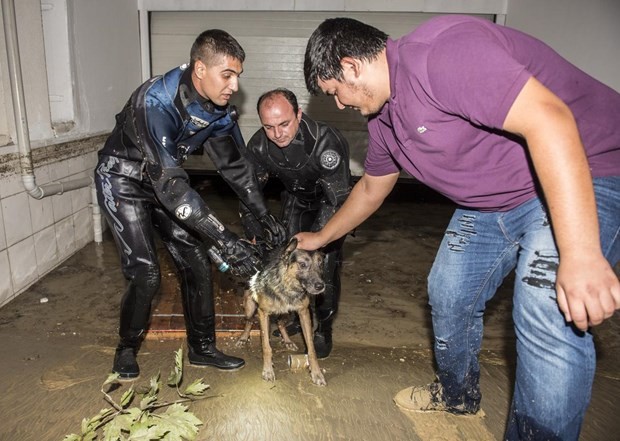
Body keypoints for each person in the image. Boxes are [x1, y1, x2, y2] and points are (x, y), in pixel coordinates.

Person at [298, 16, 620, 440]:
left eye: (333, 92)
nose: (338, 105)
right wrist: (320, 237)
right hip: (492, 205)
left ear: (351, 66)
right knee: (449, 291)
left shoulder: (442, 54)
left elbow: (551, 120)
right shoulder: (384, 121)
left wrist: (580, 254)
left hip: (584, 171)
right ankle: (457, 395)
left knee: (546, 306)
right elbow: (372, 190)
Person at [94, 29, 286, 379]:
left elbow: (236, 167)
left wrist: (262, 212)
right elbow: (170, 186)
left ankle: (202, 348)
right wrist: (225, 240)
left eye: (237, 76)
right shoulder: (155, 102)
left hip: (163, 180)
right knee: (146, 272)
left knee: (196, 261)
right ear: (200, 68)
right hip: (123, 179)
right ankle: (126, 348)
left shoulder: (219, 109)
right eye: (226, 75)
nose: (234, 86)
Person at [240, 88, 352, 358]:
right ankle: (292, 314)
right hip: (296, 199)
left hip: (331, 203)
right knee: (285, 258)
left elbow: (339, 199)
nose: (277, 134)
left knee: (323, 262)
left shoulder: (326, 142)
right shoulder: (258, 145)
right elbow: (248, 192)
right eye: (269, 127)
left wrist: (321, 239)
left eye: (284, 124)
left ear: (298, 114)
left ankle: (323, 327)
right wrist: (254, 231)